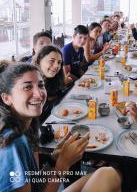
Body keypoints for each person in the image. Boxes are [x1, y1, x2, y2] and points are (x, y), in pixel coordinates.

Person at [0, 63, 122, 192]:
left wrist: (54, 160)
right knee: (109, 176)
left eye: (41, 85)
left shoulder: (25, 128)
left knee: (109, 173)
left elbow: (35, 183)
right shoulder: (12, 143)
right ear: (6, 98)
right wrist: (63, 165)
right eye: (27, 87)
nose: (38, 93)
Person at [34, 45, 68, 122]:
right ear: (39, 60)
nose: (56, 66)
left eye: (59, 62)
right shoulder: (32, 85)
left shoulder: (55, 79)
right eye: (52, 61)